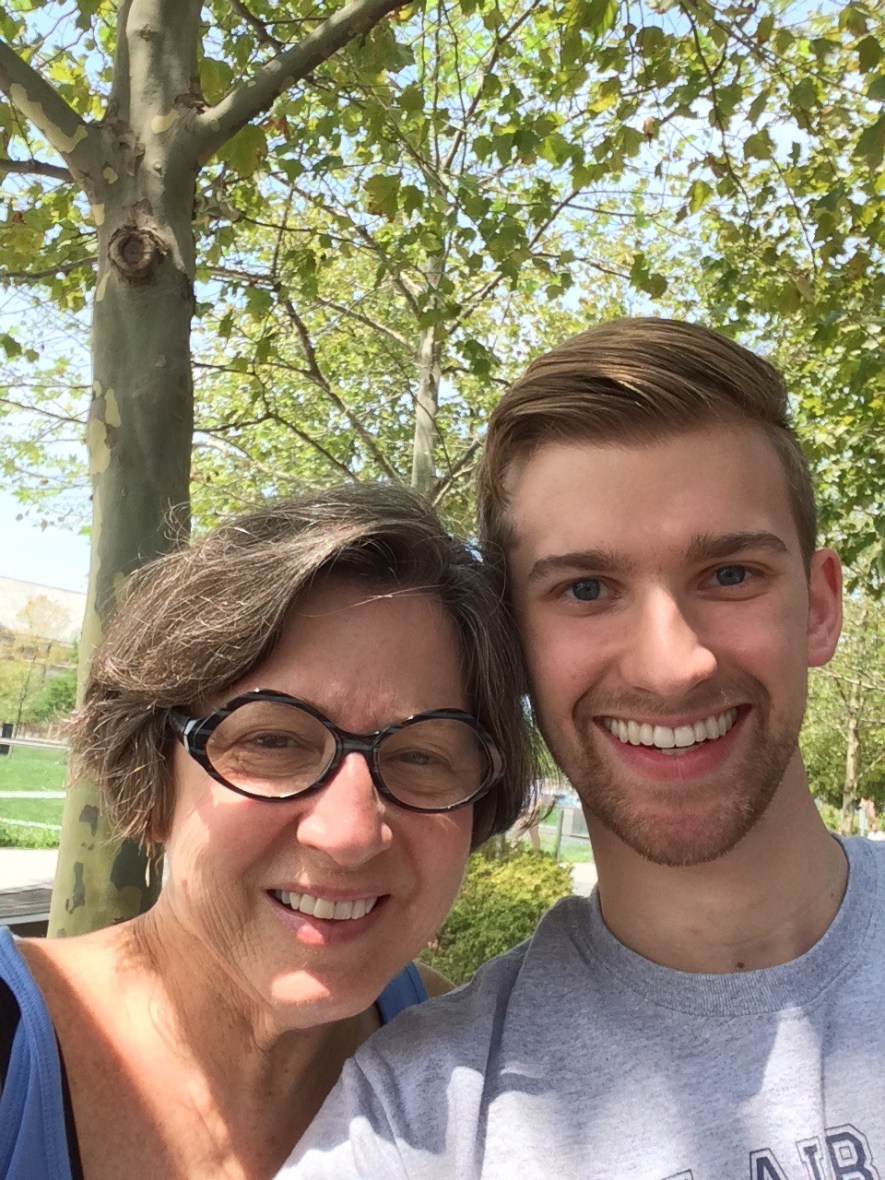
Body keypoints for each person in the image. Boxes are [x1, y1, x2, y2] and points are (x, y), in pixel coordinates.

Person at [284, 318, 885, 1180]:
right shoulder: (419, 1117)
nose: (671, 666)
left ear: (819, 607)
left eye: (729, 575)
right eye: (586, 589)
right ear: (513, 640)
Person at [0, 483, 534, 1179]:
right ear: (152, 775)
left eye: (420, 757)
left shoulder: (453, 1057)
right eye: (274, 742)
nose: (348, 834)